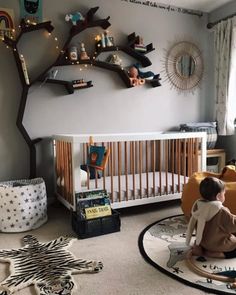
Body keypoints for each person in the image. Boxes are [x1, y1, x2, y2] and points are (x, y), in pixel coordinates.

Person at [186, 176, 236, 258]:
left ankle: (199, 247)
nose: (224, 195)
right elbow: (232, 226)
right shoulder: (221, 211)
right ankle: (217, 254)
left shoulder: (197, 207)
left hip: (202, 241)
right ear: (218, 196)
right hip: (219, 244)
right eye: (224, 193)